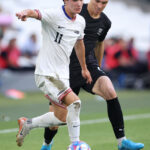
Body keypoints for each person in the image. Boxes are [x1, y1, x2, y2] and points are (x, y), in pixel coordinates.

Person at [40, 0, 144, 150]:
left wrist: (98, 68)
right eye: (97, 2)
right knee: (57, 120)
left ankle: (122, 142)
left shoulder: (105, 22)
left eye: (104, 3)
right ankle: (46, 145)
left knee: (109, 89)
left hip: (88, 67)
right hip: (65, 71)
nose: (100, 6)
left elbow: (99, 43)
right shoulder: (75, 11)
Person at [15, 0, 92, 148]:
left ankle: (28, 124)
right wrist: (25, 13)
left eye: (81, 0)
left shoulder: (80, 21)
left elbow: (79, 43)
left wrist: (84, 68)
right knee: (75, 103)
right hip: (47, 74)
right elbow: (35, 13)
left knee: (61, 118)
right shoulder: (54, 14)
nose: (79, 3)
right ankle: (75, 144)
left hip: (63, 76)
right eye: (75, 0)